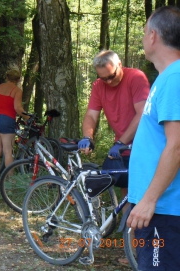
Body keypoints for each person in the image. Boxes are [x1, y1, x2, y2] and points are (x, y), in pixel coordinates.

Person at [127, 6, 180, 270]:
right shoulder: (165, 77)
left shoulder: (175, 78)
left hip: (165, 210)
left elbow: (177, 146)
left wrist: (149, 200)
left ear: (153, 36)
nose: (143, 36)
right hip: (158, 207)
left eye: (145, 30)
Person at [78, 50, 150, 200]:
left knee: (145, 192)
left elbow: (142, 113)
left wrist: (121, 142)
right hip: (122, 148)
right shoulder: (98, 86)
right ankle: (126, 224)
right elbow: (91, 115)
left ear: (119, 65)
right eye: (103, 78)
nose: (108, 82)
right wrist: (87, 136)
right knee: (127, 192)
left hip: (144, 144)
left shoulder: (135, 77)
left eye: (111, 76)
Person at [0, 69, 28, 183]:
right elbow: (18, 108)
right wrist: (28, 118)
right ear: (18, 79)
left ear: (7, 77)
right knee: (7, 151)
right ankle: (11, 180)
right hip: (7, 120)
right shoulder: (17, 90)